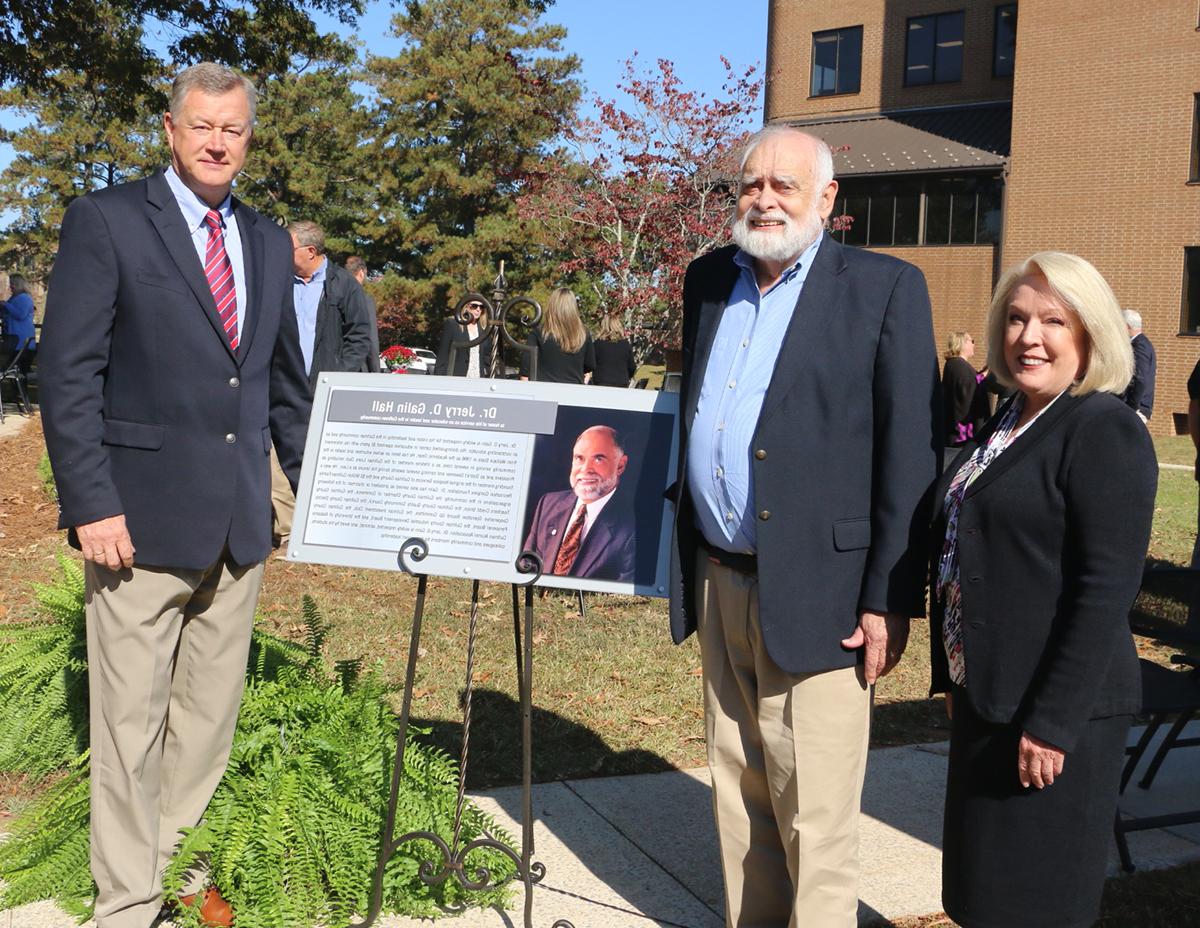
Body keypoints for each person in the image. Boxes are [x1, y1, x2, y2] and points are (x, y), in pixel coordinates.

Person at [38, 63, 311, 928]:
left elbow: (279, 387)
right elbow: (68, 373)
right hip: (135, 523)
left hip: (237, 525)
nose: (217, 141)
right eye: (201, 126)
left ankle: (173, 877)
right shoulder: (109, 221)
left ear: (250, 138)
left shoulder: (267, 241)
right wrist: (90, 503)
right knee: (128, 731)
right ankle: (125, 906)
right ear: (170, 129)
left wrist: (316, 494)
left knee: (204, 726)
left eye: (232, 128)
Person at [669, 125, 939, 927]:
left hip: (826, 592)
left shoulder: (886, 288)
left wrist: (890, 596)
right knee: (736, 788)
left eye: (786, 185)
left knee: (813, 810)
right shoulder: (708, 279)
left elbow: (908, 453)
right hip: (719, 577)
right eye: (751, 183)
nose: (764, 198)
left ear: (828, 200)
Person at [930, 252, 1156, 928]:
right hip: (990, 695)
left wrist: (1052, 724)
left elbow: (1104, 590)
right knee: (980, 893)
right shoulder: (1010, 420)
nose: (1031, 337)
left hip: (1055, 714)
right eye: (1019, 318)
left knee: (1033, 904)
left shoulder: (1103, 429)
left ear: (1091, 336)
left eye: (1054, 321)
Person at [268, 220, 372, 547]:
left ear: (310, 252)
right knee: (281, 458)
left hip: (324, 389)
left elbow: (360, 337)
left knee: (320, 459)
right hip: (282, 385)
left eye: (290, 248)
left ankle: (320, 528)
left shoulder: (342, 285)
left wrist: (338, 374)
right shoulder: (278, 281)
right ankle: (287, 529)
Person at [523, 425, 636, 582]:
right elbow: (526, 566)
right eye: (579, 458)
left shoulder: (633, 529)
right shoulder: (548, 504)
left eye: (598, 459)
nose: (585, 469)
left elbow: (621, 600)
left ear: (621, 465)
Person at [519, 287, 595, 383]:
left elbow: (525, 369)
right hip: (573, 390)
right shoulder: (583, 334)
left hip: (543, 390)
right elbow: (589, 365)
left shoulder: (539, 332)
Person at [942, 331, 988, 446]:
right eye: (971, 341)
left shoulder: (954, 365)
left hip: (955, 433)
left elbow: (969, 382)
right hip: (961, 436)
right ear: (961, 343)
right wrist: (986, 374)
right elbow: (970, 388)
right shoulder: (959, 365)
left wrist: (983, 373)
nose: (974, 345)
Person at [434, 298, 493, 376]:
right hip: (455, 377)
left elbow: (486, 358)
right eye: (474, 306)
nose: (478, 309)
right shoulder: (453, 324)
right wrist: (439, 377)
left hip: (477, 378)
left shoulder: (484, 329)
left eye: (481, 307)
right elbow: (442, 355)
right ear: (466, 307)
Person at [344, 255, 380, 373]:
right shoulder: (364, 300)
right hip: (358, 367)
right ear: (361, 273)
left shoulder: (334, 296)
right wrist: (375, 371)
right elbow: (371, 339)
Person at [1121, 308, 1156, 422]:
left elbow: (1140, 378)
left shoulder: (1140, 346)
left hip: (1136, 408)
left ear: (1127, 326)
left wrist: (1132, 407)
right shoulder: (1140, 343)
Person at [591, 313, 637, 387]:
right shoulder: (625, 345)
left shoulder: (597, 344)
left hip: (601, 383)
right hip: (621, 383)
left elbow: (591, 364)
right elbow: (632, 367)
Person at [1, 273, 37, 352]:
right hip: (12, 338)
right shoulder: (13, 298)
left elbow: (20, 315)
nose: (10, 287)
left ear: (17, 284)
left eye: (11, 284)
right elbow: (7, 314)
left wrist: (6, 304)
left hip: (22, 340)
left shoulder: (24, 297)